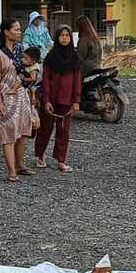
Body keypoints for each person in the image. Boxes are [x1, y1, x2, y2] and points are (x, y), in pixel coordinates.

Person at [0, 19, 33, 182]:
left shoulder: (21, 51)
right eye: (15, 29)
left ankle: (20, 165)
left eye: (19, 29)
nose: (19, 32)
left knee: (23, 131)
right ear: (6, 32)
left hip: (22, 96)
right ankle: (11, 171)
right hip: (7, 97)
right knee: (8, 133)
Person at [36, 26, 82, 173]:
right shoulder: (50, 57)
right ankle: (40, 155)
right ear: (57, 37)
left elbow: (77, 80)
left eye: (67, 36)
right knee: (45, 129)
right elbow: (46, 80)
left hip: (67, 100)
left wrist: (76, 101)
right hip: (51, 99)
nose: (64, 38)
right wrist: (46, 100)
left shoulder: (75, 58)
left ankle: (61, 160)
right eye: (62, 35)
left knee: (63, 131)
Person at [22, 46, 43, 130]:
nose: (22, 60)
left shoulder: (33, 69)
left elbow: (33, 79)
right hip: (30, 89)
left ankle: (32, 122)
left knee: (31, 107)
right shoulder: (30, 66)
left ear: (32, 62)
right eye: (23, 57)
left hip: (31, 89)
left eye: (25, 58)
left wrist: (23, 78)